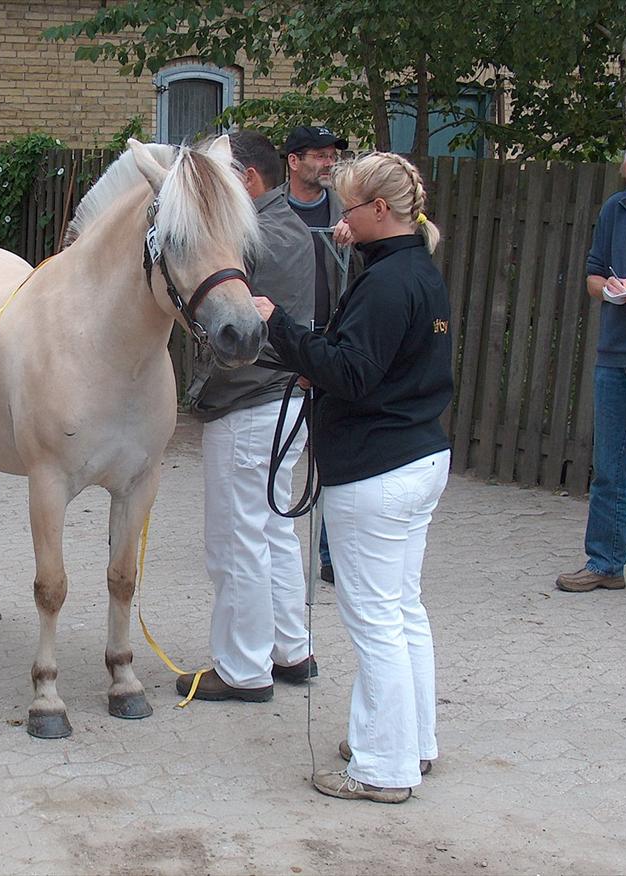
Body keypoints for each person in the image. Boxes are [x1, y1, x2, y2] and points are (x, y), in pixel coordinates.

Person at [255, 152, 453, 803]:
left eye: (350, 207)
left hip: (378, 468)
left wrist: (276, 326)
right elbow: (366, 359)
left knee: (376, 622)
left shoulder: (391, 282)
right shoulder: (412, 270)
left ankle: (382, 768)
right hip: (416, 456)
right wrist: (326, 360)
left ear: (379, 210)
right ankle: (409, 742)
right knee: (402, 611)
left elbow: (353, 372)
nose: (341, 218)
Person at [176, 130, 318, 705]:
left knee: (236, 542)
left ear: (246, 180)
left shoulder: (249, 235)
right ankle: (290, 649)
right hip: (285, 399)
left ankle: (242, 669)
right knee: (273, 531)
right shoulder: (291, 225)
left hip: (251, 402)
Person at [556, 139, 626, 592]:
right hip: (614, 355)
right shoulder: (615, 209)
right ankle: (604, 563)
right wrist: (610, 288)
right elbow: (593, 274)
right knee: (609, 466)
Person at [280, 124, 354, 584]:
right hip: (284, 345)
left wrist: (357, 235)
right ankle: (271, 532)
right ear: (293, 161)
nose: (328, 163)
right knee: (279, 446)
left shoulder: (345, 210)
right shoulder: (270, 211)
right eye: (319, 156)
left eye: (331, 156)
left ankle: (330, 553)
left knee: (332, 447)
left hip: (330, 341)